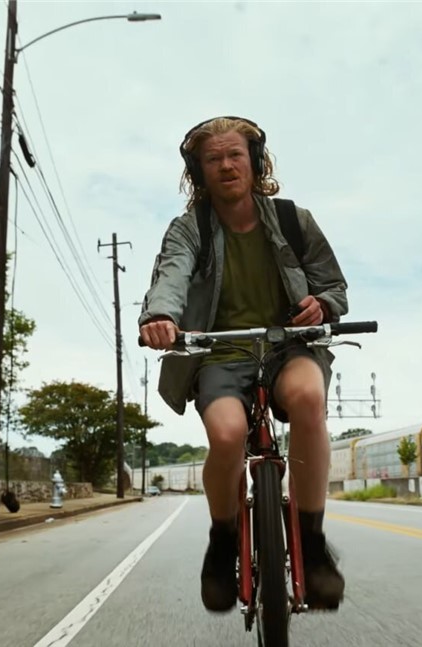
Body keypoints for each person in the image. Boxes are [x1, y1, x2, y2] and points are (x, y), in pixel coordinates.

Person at [138, 116, 349, 612]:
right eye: (213, 159)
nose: (226, 165)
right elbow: (171, 276)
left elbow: (334, 287)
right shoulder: (189, 228)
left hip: (288, 346)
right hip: (220, 353)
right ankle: (222, 539)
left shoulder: (294, 220)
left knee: (309, 399)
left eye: (235, 154)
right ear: (199, 171)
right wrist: (161, 316)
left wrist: (322, 305)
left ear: (254, 162)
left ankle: (312, 543)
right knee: (228, 433)